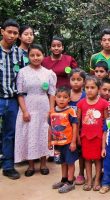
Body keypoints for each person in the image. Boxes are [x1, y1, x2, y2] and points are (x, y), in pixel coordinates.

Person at [14, 44, 56, 177]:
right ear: (28, 56)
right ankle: (31, 165)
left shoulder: (48, 73)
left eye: (38, 55)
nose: (35, 57)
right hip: (28, 106)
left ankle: (43, 164)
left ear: (43, 56)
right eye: (32, 55)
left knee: (43, 134)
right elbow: (19, 93)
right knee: (29, 134)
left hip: (43, 106)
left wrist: (51, 110)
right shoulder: (22, 72)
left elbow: (52, 93)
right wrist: (24, 111)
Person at [0, 18, 24, 179]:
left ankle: (8, 165)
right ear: (2, 31)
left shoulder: (20, 54)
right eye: (9, 32)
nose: (12, 35)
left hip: (13, 100)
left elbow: (23, 77)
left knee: (10, 133)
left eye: (15, 33)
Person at [77, 76, 109, 191]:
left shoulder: (103, 103)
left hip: (99, 136)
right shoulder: (81, 103)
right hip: (85, 136)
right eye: (87, 87)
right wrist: (77, 136)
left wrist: (106, 136)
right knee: (87, 158)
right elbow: (78, 122)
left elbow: (107, 121)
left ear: (99, 89)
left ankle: (96, 180)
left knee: (98, 159)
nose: (89, 90)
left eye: (92, 87)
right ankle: (89, 180)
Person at [49, 87, 78, 193]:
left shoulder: (71, 111)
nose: (61, 99)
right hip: (57, 143)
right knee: (62, 162)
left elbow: (75, 126)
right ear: (55, 98)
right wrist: (49, 141)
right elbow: (50, 127)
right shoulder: (52, 112)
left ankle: (70, 182)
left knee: (70, 162)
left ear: (69, 99)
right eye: (59, 97)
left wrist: (74, 142)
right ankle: (64, 179)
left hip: (69, 143)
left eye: (65, 97)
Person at [68, 68, 86, 185]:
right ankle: (69, 175)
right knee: (68, 152)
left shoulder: (85, 95)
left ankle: (81, 173)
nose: (75, 82)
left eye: (78, 79)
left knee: (81, 153)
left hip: (81, 128)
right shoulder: (66, 94)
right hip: (67, 129)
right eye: (73, 79)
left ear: (84, 82)